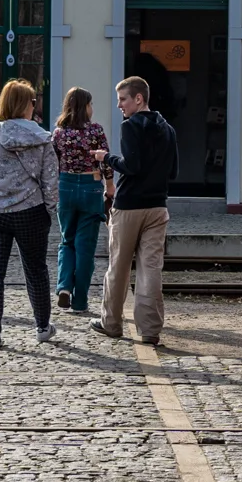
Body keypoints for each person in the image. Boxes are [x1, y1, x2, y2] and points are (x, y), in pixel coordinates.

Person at [0, 79, 59, 349]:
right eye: (33, 102)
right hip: (31, 211)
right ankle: (42, 326)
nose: (35, 106)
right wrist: (50, 208)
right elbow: (51, 180)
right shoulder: (42, 138)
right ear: (25, 105)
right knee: (36, 270)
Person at [89, 75, 178, 346]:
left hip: (129, 206)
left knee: (118, 267)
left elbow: (132, 165)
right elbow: (173, 172)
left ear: (138, 98)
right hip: (157, 206)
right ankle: (150, 330)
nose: (120, 106)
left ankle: (111, 323)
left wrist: (107, 158)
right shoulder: (168, 129)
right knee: (151, 269)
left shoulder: (130, 127)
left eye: (123, 99)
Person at [50, 87, 111, 316]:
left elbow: (52, 164)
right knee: (85, 247)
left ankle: (64, 285)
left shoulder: (58, 133)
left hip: (65, 186)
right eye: (90, 104)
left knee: (67, 241)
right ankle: (80, 301)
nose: (92, 108)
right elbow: (106, 161)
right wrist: (110, 187)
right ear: (84, 106)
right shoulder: (96, 130)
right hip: (90, 188)